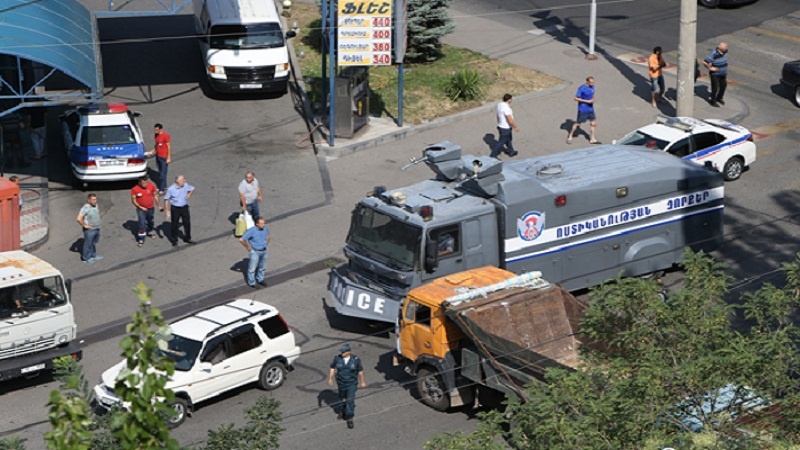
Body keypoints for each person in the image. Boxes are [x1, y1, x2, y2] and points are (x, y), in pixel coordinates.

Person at [328, 343, 366, 429]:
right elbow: (332, 367)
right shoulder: (337, 359)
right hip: (341, 383)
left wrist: (362, 381)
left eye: (344, 352)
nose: (342, 353)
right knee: (341, 398)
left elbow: (360, 371)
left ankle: (349, 417)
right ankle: (342, 410)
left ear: (348, 352)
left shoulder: (355, 360)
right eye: (341, 352)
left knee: (350, 399)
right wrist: (330, 378)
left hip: (351, 383)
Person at [164, 175, 196, 246]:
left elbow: (192, 188)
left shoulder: (185, 185)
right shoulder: (171, 189)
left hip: (184, 207)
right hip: (175, 208)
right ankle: (174, 239)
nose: (185, 181)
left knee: (187, 223)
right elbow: (166, 199)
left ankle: (187, 238)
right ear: (178, 182)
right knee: (174, 224)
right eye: (183, 180)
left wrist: (189, 195)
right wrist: (167, 210)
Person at [238, 216, 270, 288]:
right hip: (255, 251)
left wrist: (265, 243)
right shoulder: (252, 231)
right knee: (252, 269)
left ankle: (260, 279)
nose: (263, 225)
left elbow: (268, 235)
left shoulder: (265, 229)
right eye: (261, 224)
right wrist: (249, 247)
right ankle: (252, 283)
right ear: (257, 224)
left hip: (264, 250)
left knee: (262, 267)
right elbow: (241, 240)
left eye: (264, 223)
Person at [131, 176, 162, 248]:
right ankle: (141, 239)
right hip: (141, 209)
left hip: (150, 208)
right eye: (143, 183)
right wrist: (140, 207)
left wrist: (159, 205)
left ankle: (150, 231)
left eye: (146, 182)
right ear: (139, 183)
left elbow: (155, 195)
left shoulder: (151, 186)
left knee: (150, 220)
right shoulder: (134, 189)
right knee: (142, 223)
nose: (145, 184)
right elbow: (133, 200)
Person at [567, 76, 599, 145]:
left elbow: (592, 94)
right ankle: (570, 136)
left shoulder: (592, 87)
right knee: (578, 123)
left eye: (593, 82)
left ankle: (592, 139)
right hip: (583, 109)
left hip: (590, 108)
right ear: (587, 82)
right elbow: (576, 98)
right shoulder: (582, 88)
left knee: (593, 123)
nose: (593, 83)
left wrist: (593, 99)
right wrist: (587, 101)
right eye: (591, 82)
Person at [490, 93, 519, 158]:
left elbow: (498, 114)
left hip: (501, 126)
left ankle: (511, 152)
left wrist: (499, 122)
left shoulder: (500, 104)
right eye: (511, 99)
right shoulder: (506, 108)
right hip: (506, 128)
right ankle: (493, 155)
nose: (511, 100)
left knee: (508, 139)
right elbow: (510, 119)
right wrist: (515, 127)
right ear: (509, 100)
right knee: (501, 142)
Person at [76, 193, 102, 263]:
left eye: (96, 199)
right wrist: (84, 225)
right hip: (90, 230)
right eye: (93, 200)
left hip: (97, 228)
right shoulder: (85, 208)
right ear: (88, 200)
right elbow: (79, 218)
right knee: (88, 244)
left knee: (93, 243)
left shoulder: (96, 205)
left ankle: (93, 255)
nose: (95, 201)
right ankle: (85, 258)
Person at [147, 123, 171, 194]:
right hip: (158, 156)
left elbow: (169, 146)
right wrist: (152, 151)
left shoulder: (165, 136)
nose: (155, 131)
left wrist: (168, 157)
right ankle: (164, 186)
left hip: (164, 157)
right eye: (155, 129)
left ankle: (161, 189)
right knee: (161, 172)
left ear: (161, 129)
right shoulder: (156, 136)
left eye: (157, 129)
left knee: (163, 173)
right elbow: (157, 145)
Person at [703, 42, 729, 107]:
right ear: (721, 49)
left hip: (723, 73)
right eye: (726, 47)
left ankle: (719, 98)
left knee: (723, 86)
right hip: (715, 74)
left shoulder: (724, 51)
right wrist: (710, 68)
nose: (727, 48)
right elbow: (705, 62)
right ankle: (713, 100)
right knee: (715, 88)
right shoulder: (714, 54)